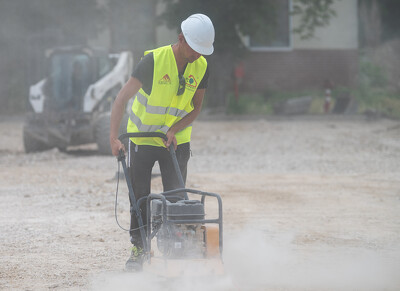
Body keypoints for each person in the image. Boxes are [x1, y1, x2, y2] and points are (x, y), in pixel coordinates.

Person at [109, 13, 215, 271]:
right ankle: (139, 248)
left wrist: (175, 129)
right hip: (142, 139)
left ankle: (179, 248)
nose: (199, 56)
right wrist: (113, 138)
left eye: (204, 51)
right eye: (195, 50)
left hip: (175, 142)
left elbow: (196, 108)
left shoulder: (201, 66)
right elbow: (121, 99)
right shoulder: (153, 61)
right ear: (181, 39)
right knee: (140, 197)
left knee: (177, 197)